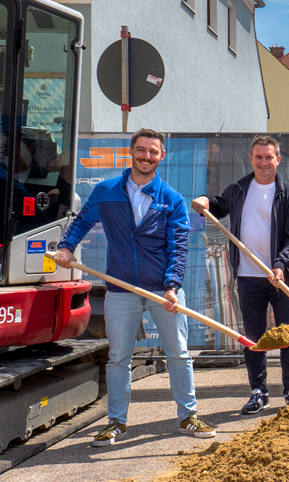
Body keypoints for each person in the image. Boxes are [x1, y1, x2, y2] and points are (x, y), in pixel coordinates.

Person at [54, 128, 215, 447]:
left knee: (179, 354)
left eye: (153, 152)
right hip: (121, 288)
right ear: (132, 151)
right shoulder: (106, 191)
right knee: (118, 358)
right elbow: (82, 221)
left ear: (162, 156)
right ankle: (116, 422)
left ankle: (188, 416)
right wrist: (67, 247)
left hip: (163, 291)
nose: (146, 156)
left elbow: (178, 247)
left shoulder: (171, 199)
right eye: (141, 150)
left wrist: (172, 286)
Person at [191, 135, 289, 413]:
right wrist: (205, 200)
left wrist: (280, 264)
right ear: (251, 159)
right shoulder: (240, 188)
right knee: (253, 337)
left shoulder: (288, 195)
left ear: (277, 159)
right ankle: (259, 391)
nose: (264, 162)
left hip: (282, 277)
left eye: (269, 157)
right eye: (258, 157)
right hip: (248, 276)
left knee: (288, 334)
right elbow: (218, 204)